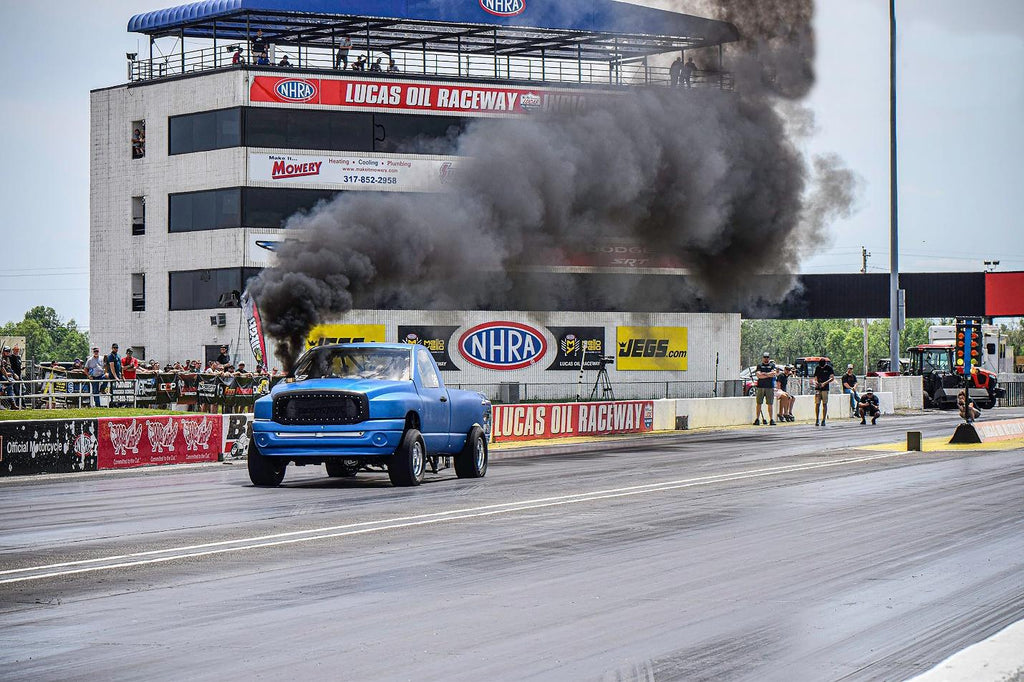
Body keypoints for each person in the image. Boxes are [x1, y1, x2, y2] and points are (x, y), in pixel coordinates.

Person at [753, 351, 778, 426]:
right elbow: (758, 375)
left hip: (769, 387)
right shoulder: (759, 365)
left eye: (767, 357)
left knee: (770, 403)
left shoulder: (772, 365)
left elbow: (773, 374)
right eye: (765, 357)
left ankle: (771, 419)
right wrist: (768, 375)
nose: (766, 359)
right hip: (760, 387)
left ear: (769, 358)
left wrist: (764, 374)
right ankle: (757, 419)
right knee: (759, 403)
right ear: (762, 358)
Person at [813, 357, 835, 426]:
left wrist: (825, 383)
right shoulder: (817, 368)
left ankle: (823, 419)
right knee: (817, 403)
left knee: (824, 404)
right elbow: (815, 377)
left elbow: (832, 378)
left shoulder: (829, 368)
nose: (821, 367)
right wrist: (816, 382)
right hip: (818, 388)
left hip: (825, 388)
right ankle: (817, 419)